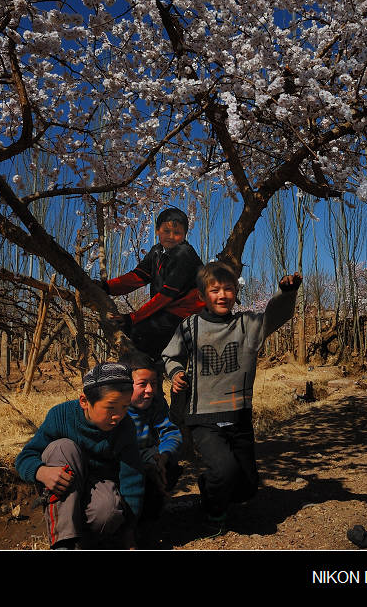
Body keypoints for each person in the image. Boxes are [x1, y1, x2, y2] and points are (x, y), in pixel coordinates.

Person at [162, 261, 302, 537]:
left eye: (228, 289)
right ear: (202, 296)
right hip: (203, 415)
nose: (223, 295)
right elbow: (170, 356)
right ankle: (214, 513)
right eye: (215, 290)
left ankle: (209, 485)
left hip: (239, 415)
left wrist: (286, 293)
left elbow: (274, 316)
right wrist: (176, 372)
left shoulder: (246, 325)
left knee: (248, 486)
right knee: (224, 470)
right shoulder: (190, 326)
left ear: (236, 293)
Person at [14, 362, 145, 549]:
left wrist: (129, 531)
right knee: (62, 447)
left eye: (125, 407)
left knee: (108, 513)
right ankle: (64, 542)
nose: (118, 416)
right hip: (66, 482)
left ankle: (85, 538)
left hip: (99, 487)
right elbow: (24, 458)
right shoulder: (60, 415)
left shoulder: (125, 427)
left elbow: (132, 478)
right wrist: (41, 472)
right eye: (111, 408)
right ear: (84, 401)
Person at [100, 207, 204, 362]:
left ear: (185, 235)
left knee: (139, 332)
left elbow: (165, 296)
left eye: (177, 233)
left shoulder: (184, 254)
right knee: (134, 331)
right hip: (167, 311)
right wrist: (107, 287)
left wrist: (132, 318)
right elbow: (137, 277)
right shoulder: (157, 251)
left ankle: (151, 370)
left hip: (186, 313)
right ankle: (152, 370)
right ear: (157, 231)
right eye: (166, 231)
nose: (171, 236)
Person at [121, 351, 184, 544]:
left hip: (149, 460)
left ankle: (148, 519)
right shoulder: (114, 407)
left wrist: (163, 457)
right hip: (121, 468)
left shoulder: (156, 404)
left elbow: (170, 433)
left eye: (154, 384)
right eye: (142, 384)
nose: (149, 390)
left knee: (168, 469)